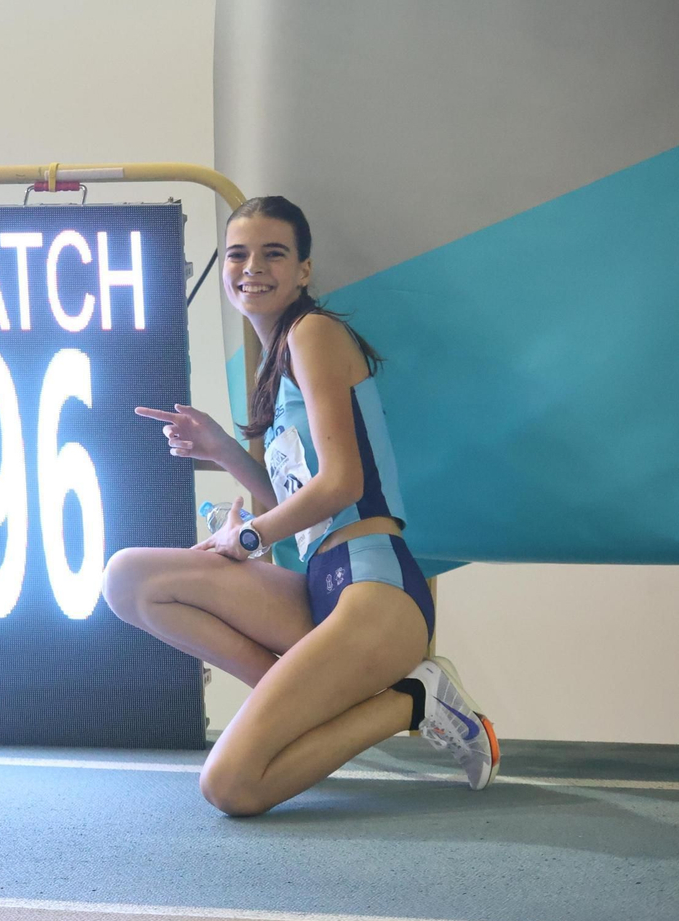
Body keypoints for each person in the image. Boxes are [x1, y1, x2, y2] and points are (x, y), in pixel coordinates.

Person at [103, 196, 499, 816]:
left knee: (229, 786)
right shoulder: (275, 360)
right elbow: (301, 500)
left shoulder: (313, 333)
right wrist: (224, 450)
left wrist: (250, 539)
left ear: (304, 271)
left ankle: (415, 700)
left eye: (272, 254)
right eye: (237, 254)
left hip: (376, 590)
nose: (250, 267)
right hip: (319, 585)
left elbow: (342, 483)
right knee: (128, 578)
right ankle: (309, 705)